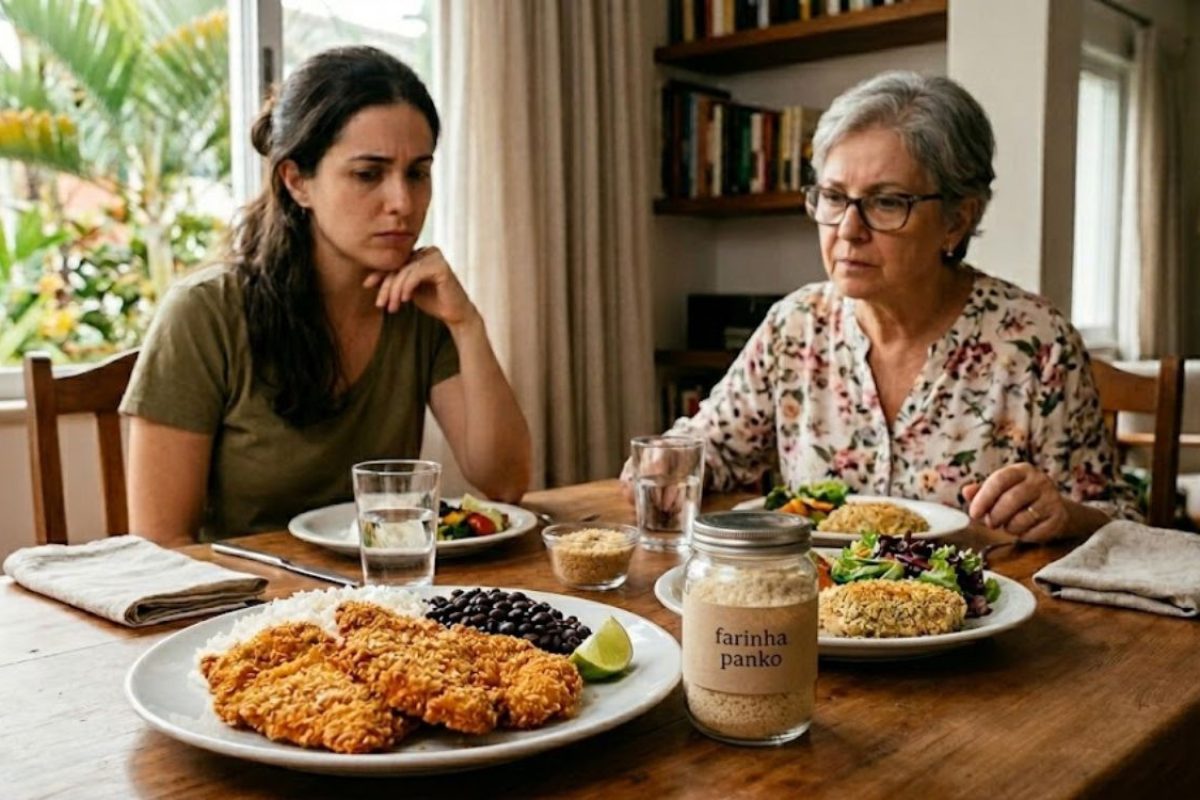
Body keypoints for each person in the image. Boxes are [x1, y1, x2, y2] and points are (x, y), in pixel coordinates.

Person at [628, 71, 1138, 542]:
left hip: (984, 620)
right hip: (818, 614)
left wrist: (1065, 514)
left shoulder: (1035, 343)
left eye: (887, 202)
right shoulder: (795, 326)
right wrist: (665, 466)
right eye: (833, 197)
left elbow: (1121, 523)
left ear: (957, 220)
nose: (848, 230)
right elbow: (708, 451)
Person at [120, 46, 532, 545]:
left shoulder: (423, 306)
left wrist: (467, 324)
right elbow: (162, 544)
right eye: (368, 174)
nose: (402, 203)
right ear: (297, 182)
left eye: (417, 173)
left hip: (386, 604)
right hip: (243, 610)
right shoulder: (204, 313)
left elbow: (505, 482)